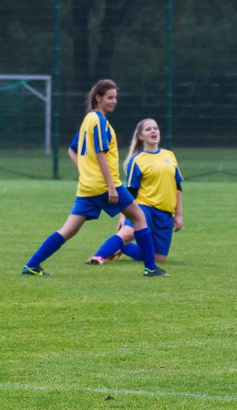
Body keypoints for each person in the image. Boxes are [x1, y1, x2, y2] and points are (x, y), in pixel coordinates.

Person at [21, 79, 165, 277]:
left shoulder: (88, 120)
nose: (114, 101)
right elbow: (100, 153)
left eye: (115, 97)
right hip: (105, 185)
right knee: (139, 217)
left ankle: (31, 265)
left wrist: (86, 173)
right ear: (98, 98)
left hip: (88, 187)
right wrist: (111, 187)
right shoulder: (98, 121)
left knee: (68, 230)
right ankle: (151, 268)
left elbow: (72, 150)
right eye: (110, 97)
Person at [86, 118, 184, 265]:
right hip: (144, 207)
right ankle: (99, 256)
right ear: (140, 136)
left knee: (159, 258)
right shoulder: (136, 160)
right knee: (128, 233)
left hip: (165, 212)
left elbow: (177, 187)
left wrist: (179, 215)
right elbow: (129, 192)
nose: (153, 131)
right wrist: (123, 218)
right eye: (148, 129)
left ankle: (122, 248)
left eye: (155, 128)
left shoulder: (169, 155)